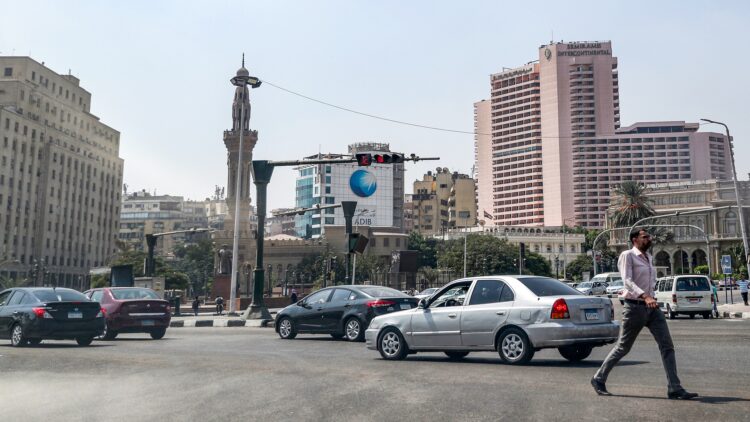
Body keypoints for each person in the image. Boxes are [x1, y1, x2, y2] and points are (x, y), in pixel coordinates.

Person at [591, 228, 698, 400]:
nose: (649, 239)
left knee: (667, 346)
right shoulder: (628, 255)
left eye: (649, 236)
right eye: (645, 237)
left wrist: (651, 296)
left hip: (652, 307)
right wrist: (645, 296)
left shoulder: (648, 257)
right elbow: (627, 281)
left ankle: (674, 388)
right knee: (623, 347)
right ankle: (598, 378)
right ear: (635, 240)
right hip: (635, 307)